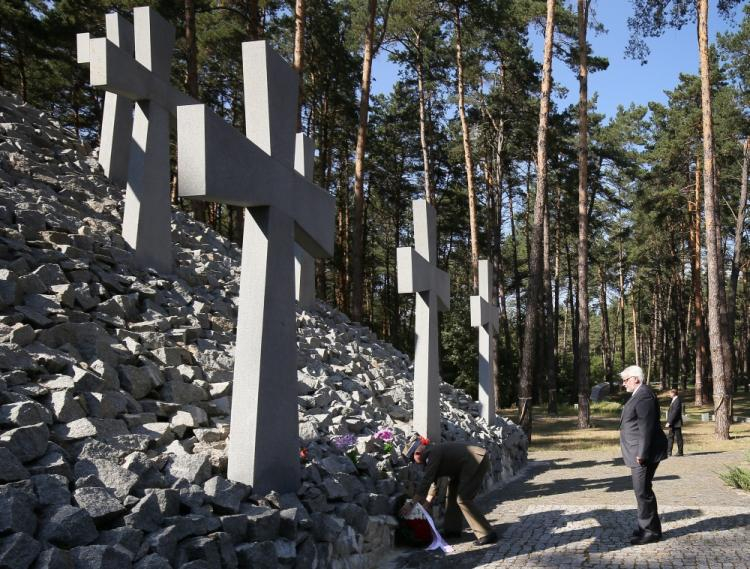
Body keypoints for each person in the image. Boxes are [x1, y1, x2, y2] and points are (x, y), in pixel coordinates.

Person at [401, 436, 497, 546]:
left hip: (475, 461)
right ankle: (452, 530)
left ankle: (487, 533)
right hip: (462, 469)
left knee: (463, 499)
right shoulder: (430, 455)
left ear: (417, 453)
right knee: (451, 494)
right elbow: (433, 484)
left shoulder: (433, 453)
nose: (415, 463)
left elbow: (426, 480)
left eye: (413, 460)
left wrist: (412, 503)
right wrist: (426, 504)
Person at [619, 365, 669, 545]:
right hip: (638, 451)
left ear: (636, 379)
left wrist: (642, 453)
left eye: (626, 380)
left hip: (642, 453)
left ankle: (650, 532)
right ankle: (647, 527)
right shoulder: (639, 394)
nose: (624, 384)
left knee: (642, 491)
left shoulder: (644, 395)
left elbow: (646, 427)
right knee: (643, 490)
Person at [665, 388, 684, 456]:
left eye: (670, 393)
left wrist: (669, 422)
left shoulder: (677, 400)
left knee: (678, 437)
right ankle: (669, 451)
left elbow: (675, 412)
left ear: (673, 393)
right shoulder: (674, 400)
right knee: (670, 437)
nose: (669, 394)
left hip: (676, 423)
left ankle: (680, 452)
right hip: (673, 423)